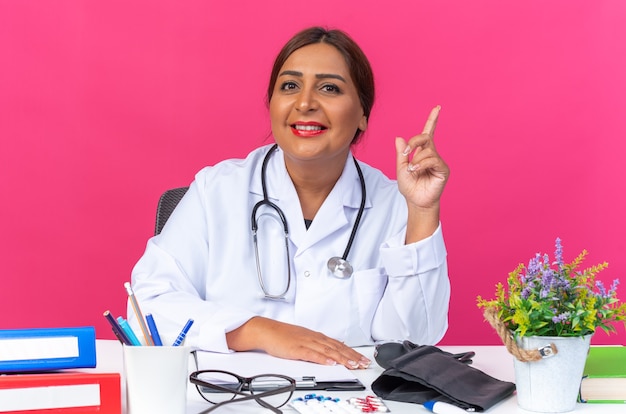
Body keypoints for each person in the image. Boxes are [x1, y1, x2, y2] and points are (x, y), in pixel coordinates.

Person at [128, 26, 451, 370]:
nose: (306, 103)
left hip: (348, 399)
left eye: (329, 88)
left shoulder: (393, 204)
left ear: (362, 115)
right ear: (272, 105)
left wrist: (422, 211)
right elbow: (148, 302)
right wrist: (259, 331)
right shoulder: (217, 190)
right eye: (290, 86)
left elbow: (416, 339)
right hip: (233, 394)